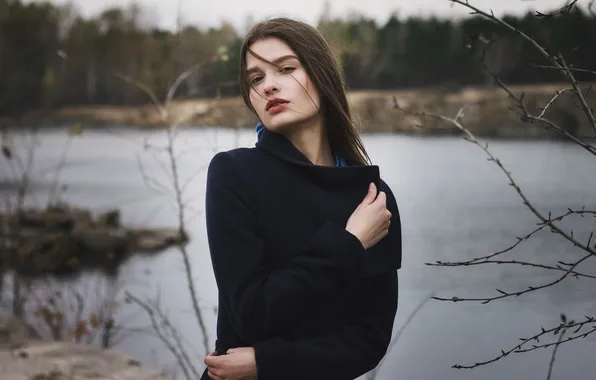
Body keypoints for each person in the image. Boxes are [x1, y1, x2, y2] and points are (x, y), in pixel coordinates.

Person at [202, 17, 402, 380]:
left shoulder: (372, 199)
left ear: (321, 75)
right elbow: (251, 314)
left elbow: (369, 340)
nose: (268, 86)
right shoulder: (234, 174)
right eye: (256, 79)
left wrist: (265, 362)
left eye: (286, 68)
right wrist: (350, 242)